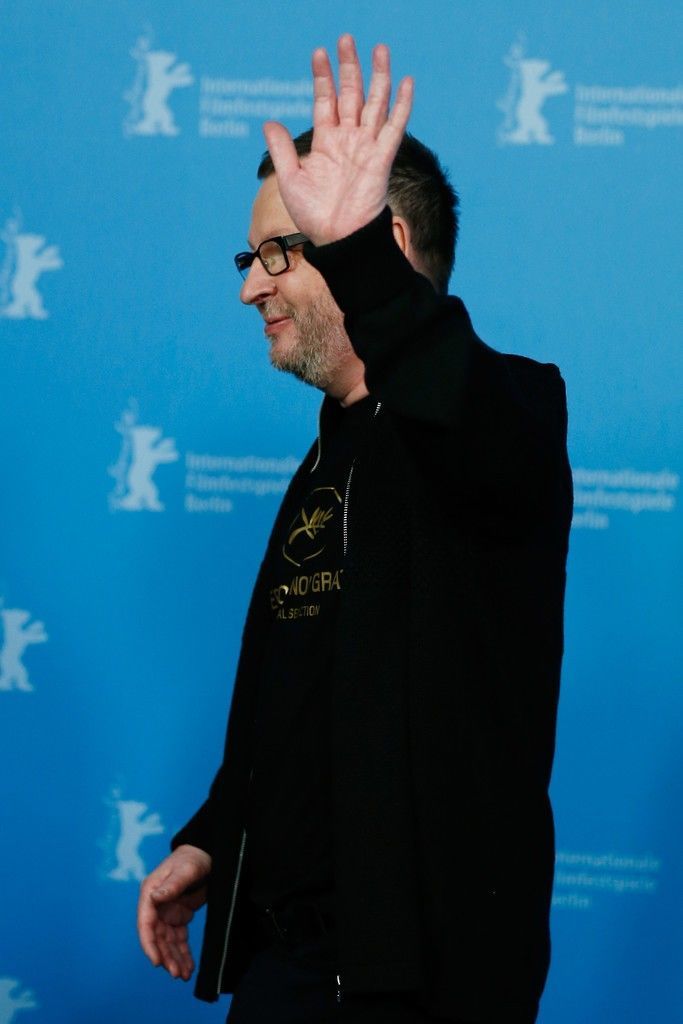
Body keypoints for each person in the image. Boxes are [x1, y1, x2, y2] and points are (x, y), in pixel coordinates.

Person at [137, 34, 573, 1024]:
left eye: (280, 253)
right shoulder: (322, 459)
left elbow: (459, 403)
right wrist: (214, 837)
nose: (250, 286)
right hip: (283, 972)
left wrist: (358, 257)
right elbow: (305, 706)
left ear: (385, 248)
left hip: (417, 990)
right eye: (250, 257)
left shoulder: (505, 416)